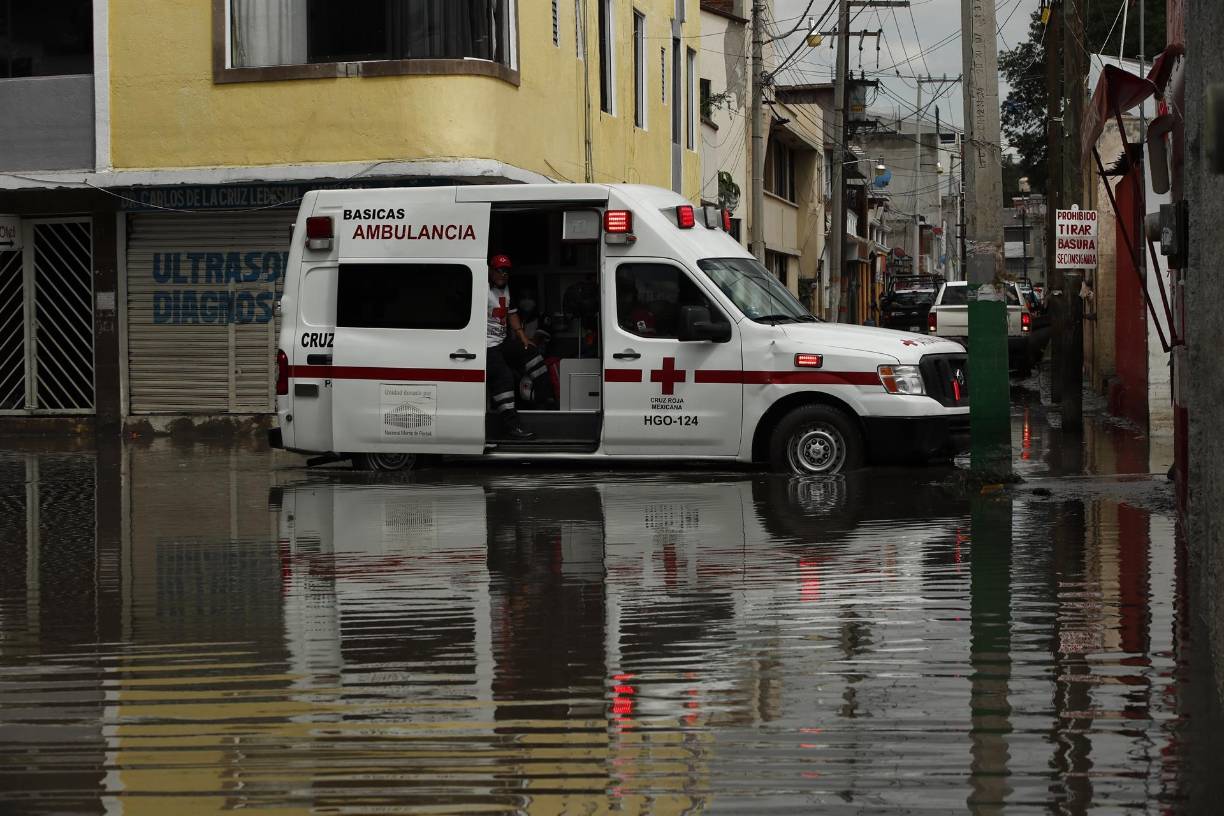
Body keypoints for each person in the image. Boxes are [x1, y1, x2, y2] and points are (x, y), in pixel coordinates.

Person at [487, 254, 555, 440]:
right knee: (504, 377)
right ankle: (512, 426)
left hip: (500, 342)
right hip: (485, 346)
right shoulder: (482, 288)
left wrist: (523, 337)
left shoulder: (506, 289)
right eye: (499, 270)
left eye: (506, 271)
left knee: (531, 352)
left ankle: (544, 401)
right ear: (490, 270)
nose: (503, 274)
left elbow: (512, 314)